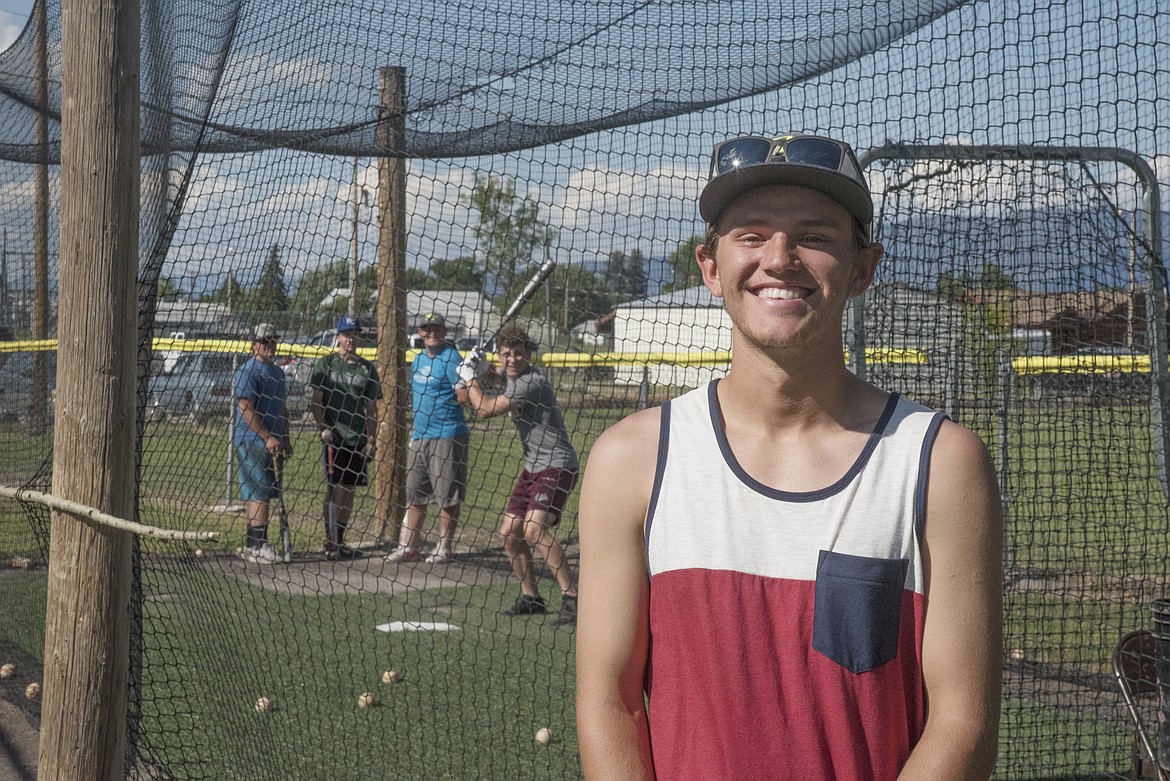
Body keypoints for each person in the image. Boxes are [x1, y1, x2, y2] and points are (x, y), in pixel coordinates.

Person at [575, 133, 1004, 780]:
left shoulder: (939, 461)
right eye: (751, 234)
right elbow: (609, 702)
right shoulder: (631, 458)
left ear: (863, 268)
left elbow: (962, 725)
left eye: (816, 236)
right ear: (711, 267)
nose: (780, 258)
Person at [462, 326, 579, 625]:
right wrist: (480, 368)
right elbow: (489, 383)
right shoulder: (513, 378)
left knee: (532, 530)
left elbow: (485, 409)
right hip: (534, 467)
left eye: (518, 353)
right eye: (506, 354)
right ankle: (532, 597)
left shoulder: (531, 382)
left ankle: (573, 597)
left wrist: (469, 377)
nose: (512, 359)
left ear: (528, 354)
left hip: (557, 464)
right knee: (508, 534)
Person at [385, 312, 469, 563]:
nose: (431, 332)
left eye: (436, 328)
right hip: (420, 434)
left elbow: (463, 397)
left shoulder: (452, 357)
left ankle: (444, 546)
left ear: (444, 331)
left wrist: (471, 374)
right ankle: (410, 545)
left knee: (446, 494)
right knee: (415, 492)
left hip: (447, 433)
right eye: (426, 328)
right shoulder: (418, 359)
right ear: (420, 332)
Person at [309, 315, 381, 560]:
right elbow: (316, 401)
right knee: (336, 489)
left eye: (355, 334)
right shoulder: (326, 363)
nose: (351, 339)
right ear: (338, 337)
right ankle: (331, 542)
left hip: (357, 438)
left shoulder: (366, 368)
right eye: (347, 334)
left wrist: (371, 439)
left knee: (349, 490)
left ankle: (339, 539)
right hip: (335, 436)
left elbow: (371, 408)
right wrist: (324, 427)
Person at [233, 322, 292, 564]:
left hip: (273, 440)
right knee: (259, 491)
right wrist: (267, 436)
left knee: (263, 492)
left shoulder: (278, 373)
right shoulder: (248, 371)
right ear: (254, 345)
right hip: (252, 438)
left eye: (272, 341)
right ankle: (258, 545)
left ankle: (252, 544)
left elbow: (282, 408)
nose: (269, 345)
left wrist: (284, 437)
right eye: (264, 341)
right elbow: (245, 407)